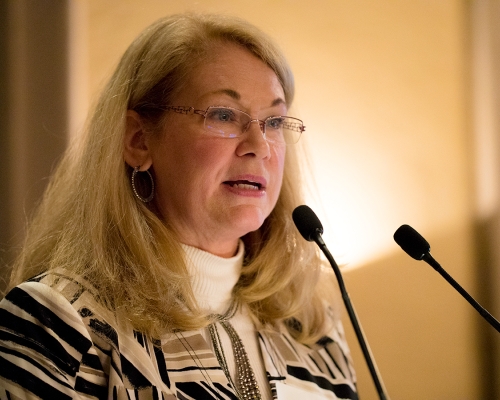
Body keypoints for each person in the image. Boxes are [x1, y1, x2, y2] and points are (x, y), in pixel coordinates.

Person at [0, 12, 358, 400]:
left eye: (273, 122)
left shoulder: (311, 325)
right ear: (138, 140)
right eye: (223, 115)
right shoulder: (59, 323)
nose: (259, 145)